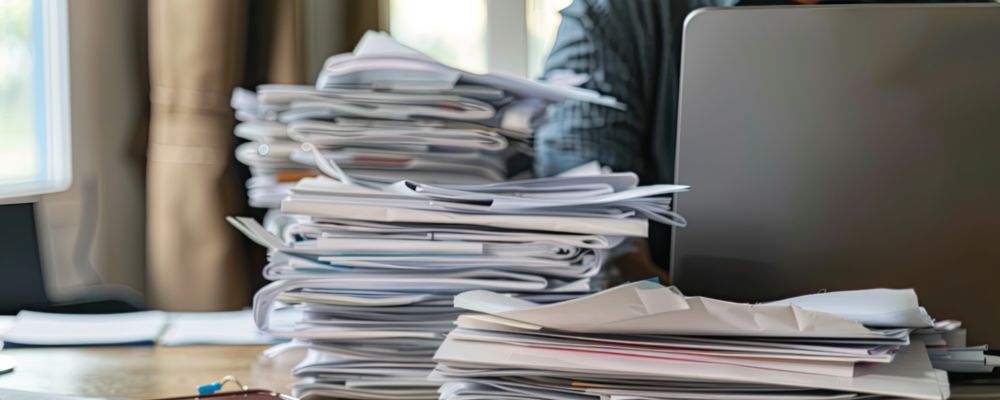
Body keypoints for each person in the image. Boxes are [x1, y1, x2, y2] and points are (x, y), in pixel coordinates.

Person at [535, 0, 984, 271]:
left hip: (936, 335)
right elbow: (578, 193)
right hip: (687, 346)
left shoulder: (959, 22)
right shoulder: (620, 13)